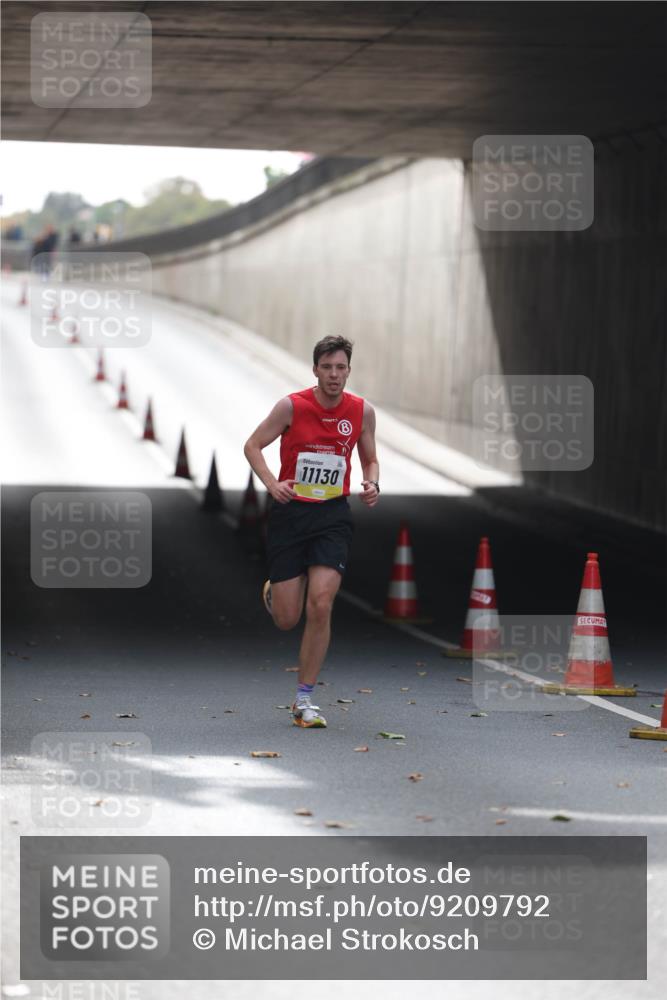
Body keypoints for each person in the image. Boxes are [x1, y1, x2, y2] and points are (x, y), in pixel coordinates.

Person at [243, 335, 380, 728]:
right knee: (287, 618)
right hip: (291, 514)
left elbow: (370, 458)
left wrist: (373, 483)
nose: (334, 375)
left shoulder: (361, 412)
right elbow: (253, 445)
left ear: (349, 370)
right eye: (327, 367)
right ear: (315, 370)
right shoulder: (292, 406)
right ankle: (275, 592)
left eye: (341, 368)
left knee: (321, 603)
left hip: (332, 516)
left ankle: (305, 698)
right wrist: (273, 484)